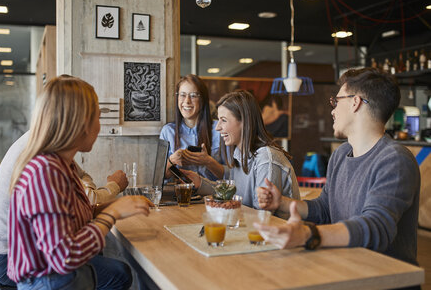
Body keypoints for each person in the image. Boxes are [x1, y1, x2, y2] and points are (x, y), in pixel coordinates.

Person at [7, 75, 162, 290]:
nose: (100, 126)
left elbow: (71, 217)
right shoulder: (44, 172)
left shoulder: (62, 166)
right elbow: (64, 257)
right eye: (97, 117)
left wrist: (115, 205)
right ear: (80, 123)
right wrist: (112, 214)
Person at [255, 67, 420, 265]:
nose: (332, 110)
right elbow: (325, 209)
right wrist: (281, 203)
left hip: (383, 280)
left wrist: (308, 234)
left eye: (337, 100)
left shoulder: (395, 160)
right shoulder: (341, 154)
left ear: (355, 102)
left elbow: (376, 227)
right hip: (342, 264)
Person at [0, 130, 131, 290]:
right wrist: (111, 209)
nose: (98, 128)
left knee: (100, 257)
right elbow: (62, 250)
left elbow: (83, 187)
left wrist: (112, 207)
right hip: (13, 260)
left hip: (21, 253)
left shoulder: (49, 148)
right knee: (118, 275)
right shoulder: (43, 160)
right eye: (95, 118)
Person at [184, 90, 299, 214]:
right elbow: (232, 192)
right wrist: (200, 183)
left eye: (223, 120)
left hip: (276, 230)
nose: (217, 127)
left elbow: (263, 214)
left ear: (244, 121)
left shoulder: (267, 158)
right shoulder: (240, 154)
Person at [160, 74, 224, 180]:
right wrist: (172, 160)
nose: (187, 101)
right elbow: (161, 178)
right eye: (182, 95)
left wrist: (208, 161)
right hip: (180, 194)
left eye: (193, 95)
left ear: (203, 99)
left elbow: (232, 175)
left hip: (213, 195)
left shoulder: (219, 129)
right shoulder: (168, 131)